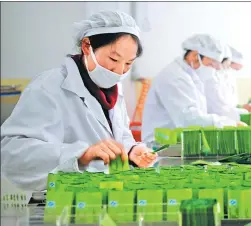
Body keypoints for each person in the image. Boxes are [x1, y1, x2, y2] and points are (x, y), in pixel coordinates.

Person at [0, 11, 157, 191]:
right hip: (62, 197)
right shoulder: (49, 86)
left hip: (104, 194)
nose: (119, 71)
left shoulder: (113, 89)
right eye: (114, 59)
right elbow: (11, 155)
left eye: (128, 63)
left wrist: (131, 150)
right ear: (86, 46)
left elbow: (117, 137)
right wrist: (79, 154)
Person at [141, 34, 238, 144]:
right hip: (161, 145)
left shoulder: (192, 76)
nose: (212, 69)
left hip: (177, 142)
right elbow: (188, 119)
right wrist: (229, 124)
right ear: (195, 55)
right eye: (210, 63)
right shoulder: (174, 76)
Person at [217, 46, 249, 116]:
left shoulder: (230, 76)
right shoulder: (217, 77)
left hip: (230, 114)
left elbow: (231, 103)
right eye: (235, 68)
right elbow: (219, 107)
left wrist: (241, 107)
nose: (236, 71)